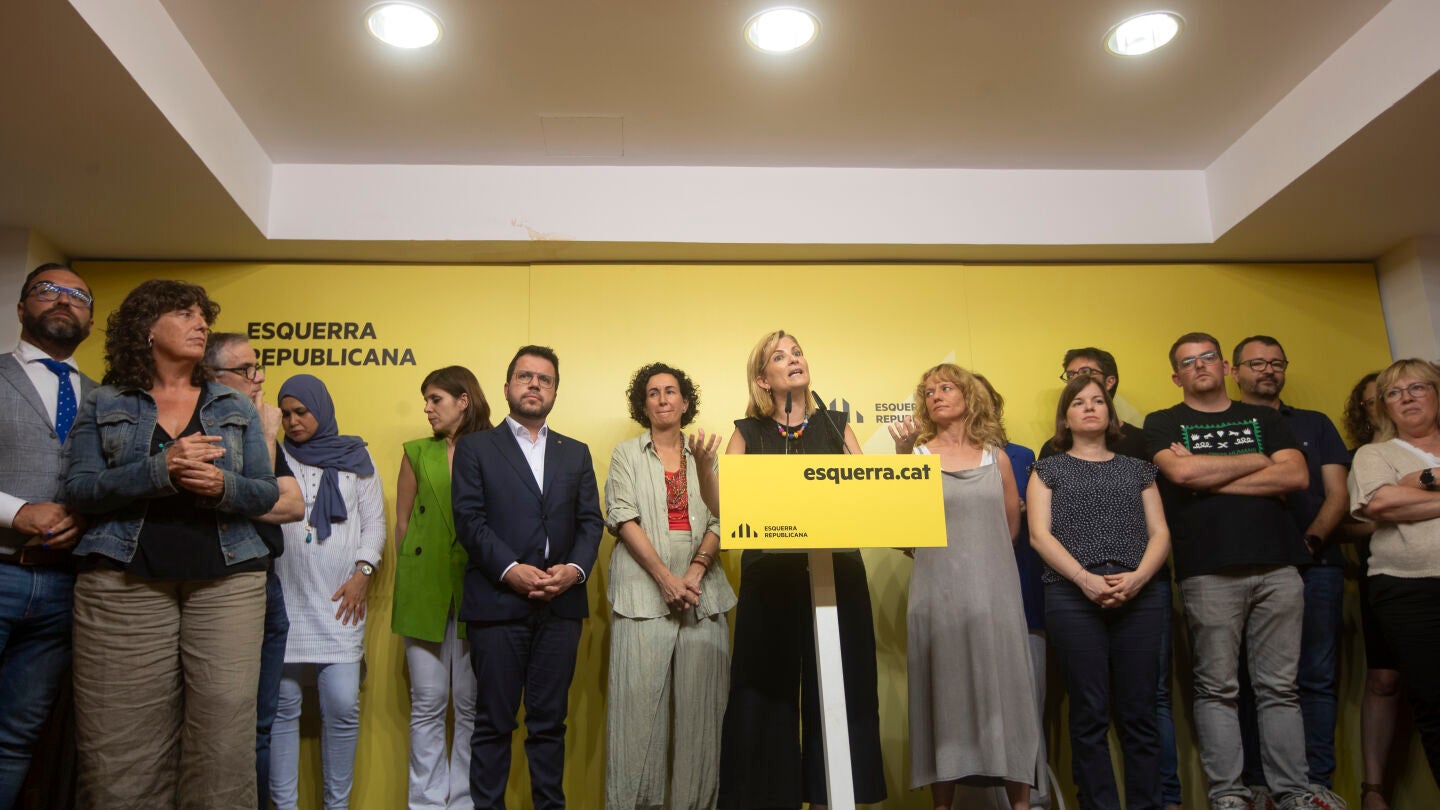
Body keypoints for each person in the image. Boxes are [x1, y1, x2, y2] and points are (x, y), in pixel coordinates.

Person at [66, 279, 279, 808]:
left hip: (228, 583)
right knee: (121, 745)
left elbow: (264, 492)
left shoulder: (235, 403)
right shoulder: (104, 400)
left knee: (224, 742)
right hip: (121, 581)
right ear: (146, 328)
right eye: (184, 314)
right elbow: (81, 490)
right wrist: (161, 469)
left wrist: (223, 486)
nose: (200, 324)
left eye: (202, 316)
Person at [1142, 331, 1326, 810]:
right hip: (1207, 570)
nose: (1199, 365)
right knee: (1216, 689)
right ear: (1176, 376)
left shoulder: (1264, 417)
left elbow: (1295, 475)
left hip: (1279, 565)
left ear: (1225, 366)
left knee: (1280, 689)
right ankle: (1228, 794)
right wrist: (1255, 462)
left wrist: (1209, 477)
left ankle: (1292, 791)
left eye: (1208, 357)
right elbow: (1180, 475)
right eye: (1188, 362)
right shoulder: (1163, 422)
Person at [717, 330, 886, 810]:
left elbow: (867, 496)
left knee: (840, 689)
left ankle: (834, 797)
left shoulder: (836, 425)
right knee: (764, 694)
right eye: (780, 356)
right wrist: (711, 478)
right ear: (762, 379)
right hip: (771, 577)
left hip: (838, 573)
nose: (794, 359)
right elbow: (728, 506)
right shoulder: (747, 433)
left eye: (797, 352)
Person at [452, 345, 603, 810]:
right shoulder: (476, 448)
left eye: (545, 379)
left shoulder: (575, 453)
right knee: (493, 724)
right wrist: (510, 570)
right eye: (525, 376)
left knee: (549, 726)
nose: (535, 384)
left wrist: (574, 571)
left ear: (555, 391)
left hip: (560, 607)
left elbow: (590, 523)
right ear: (506, 388)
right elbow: (469, 520)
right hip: (497, 604)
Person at [1041, 345, 1181, 810]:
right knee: (1088, 715)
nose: (1089, 408)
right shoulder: (1047, 469)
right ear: (1065, 418)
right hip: (1070, 595)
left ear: (1110, 411)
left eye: (1097, 400)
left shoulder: (1140, 469)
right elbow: (1040, 535)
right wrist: (1084, 579)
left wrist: (1138, 578)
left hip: (1141, 594)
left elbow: (1161, 532)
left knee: (1140, 714)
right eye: (1078, 402)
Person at [894, 362, 1037, 810]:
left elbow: (1010, 530)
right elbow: (904, 532)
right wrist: (901, 457)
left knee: (1008, 694)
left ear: (968, 396)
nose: (936, 395)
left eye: (946, 387)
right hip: (937, 596)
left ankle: (1020, 804)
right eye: (929, 391)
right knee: (944, 695)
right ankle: (942, 805)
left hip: (995, 595)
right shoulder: (917, 457)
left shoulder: (997, 458)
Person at [603, 362, 736, 810]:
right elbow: (623, 517)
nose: (663, 399)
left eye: (671, 391)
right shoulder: (625, 454)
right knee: (637, 722)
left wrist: (695, 570)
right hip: (642, 594)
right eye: (653, 393)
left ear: (685, 401)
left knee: (703, 722)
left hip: (704, 594)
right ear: (643, 405)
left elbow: (723, 518)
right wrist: (664, 577)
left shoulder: (708, 454)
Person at [1230, 336, 1351, 809]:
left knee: (1315, 677)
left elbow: (1337, 494)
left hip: (1317, 565)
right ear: (1234, 371)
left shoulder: (1314, 424)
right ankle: (1259, 784)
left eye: (1276, 363)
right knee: (1250, 680)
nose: (1268, 370)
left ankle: (1315, 784)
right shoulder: (1227, 424)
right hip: (1252, 565)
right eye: (1257, 363)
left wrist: (1311, 542)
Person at [0, 264, 94, 809]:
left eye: (77, 295)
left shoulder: (107, 398)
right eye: (48, 290)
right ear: (21, 308)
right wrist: (16, 513)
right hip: (1, 568)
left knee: (17, 737)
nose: (63, 300)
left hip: (64, 588)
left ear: (90, 321)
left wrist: (88, 517)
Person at [271, 374, 386, 810]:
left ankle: (336, 806)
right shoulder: (273, 454)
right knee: (282, 708)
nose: (293, 421)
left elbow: (374, 524)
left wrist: (363, 573)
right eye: (286, 414)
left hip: (341, 601)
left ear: (321, 408)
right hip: (285, 598)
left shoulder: (356, 456)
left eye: (302, 411)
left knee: (342, 705)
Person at [203, 332, 305, 808]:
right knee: (219, 726)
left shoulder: (257, 427)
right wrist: (264, 439)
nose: (259, 378)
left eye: (257, 367)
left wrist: (240, 493)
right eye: (246, 370)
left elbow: (293, 505)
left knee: (260, 727)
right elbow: (225, 498)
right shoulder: (204, 428)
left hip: (267, 586)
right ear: (211, 376)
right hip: (220, 589)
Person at [393, 366, 491, 810]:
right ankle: (426, 803)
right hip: (424, 587)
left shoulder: (493, 449)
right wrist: (412, 579)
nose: (428, 409)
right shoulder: (416, 452)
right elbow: (402, 524)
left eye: (436, 399)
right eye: (426, 401)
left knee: (470, 704)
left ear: (463, 400)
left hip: (477, 586)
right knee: (428, 702)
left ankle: (466, 801)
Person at [1349, 358, 1440, 788]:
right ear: (1384, 406)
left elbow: (1396, 498)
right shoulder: (1374, 454)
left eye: (1417, 388)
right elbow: (1380, 503)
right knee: (1435, 701)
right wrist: (1430, 477)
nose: (1407, 398)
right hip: (1410, 591)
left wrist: (1414, 484)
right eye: (1394, 393)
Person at [975, 373, 1051, 810]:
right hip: (966, 602)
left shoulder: (1023, 457)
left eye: (980, 398)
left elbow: (1034, 524)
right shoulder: (933, 457)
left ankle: (1033, 800)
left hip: (1023, 598)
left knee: (1027, 706)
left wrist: (1020, 509)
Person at [1343, 372, 1398, 810]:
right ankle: (1373, 790)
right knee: (1383, 678)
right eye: (1373, 398)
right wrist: (1390, 515)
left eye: (1390, 393)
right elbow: (1346, 523)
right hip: (1381, 577)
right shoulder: (1355, 458)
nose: (1385, 403)